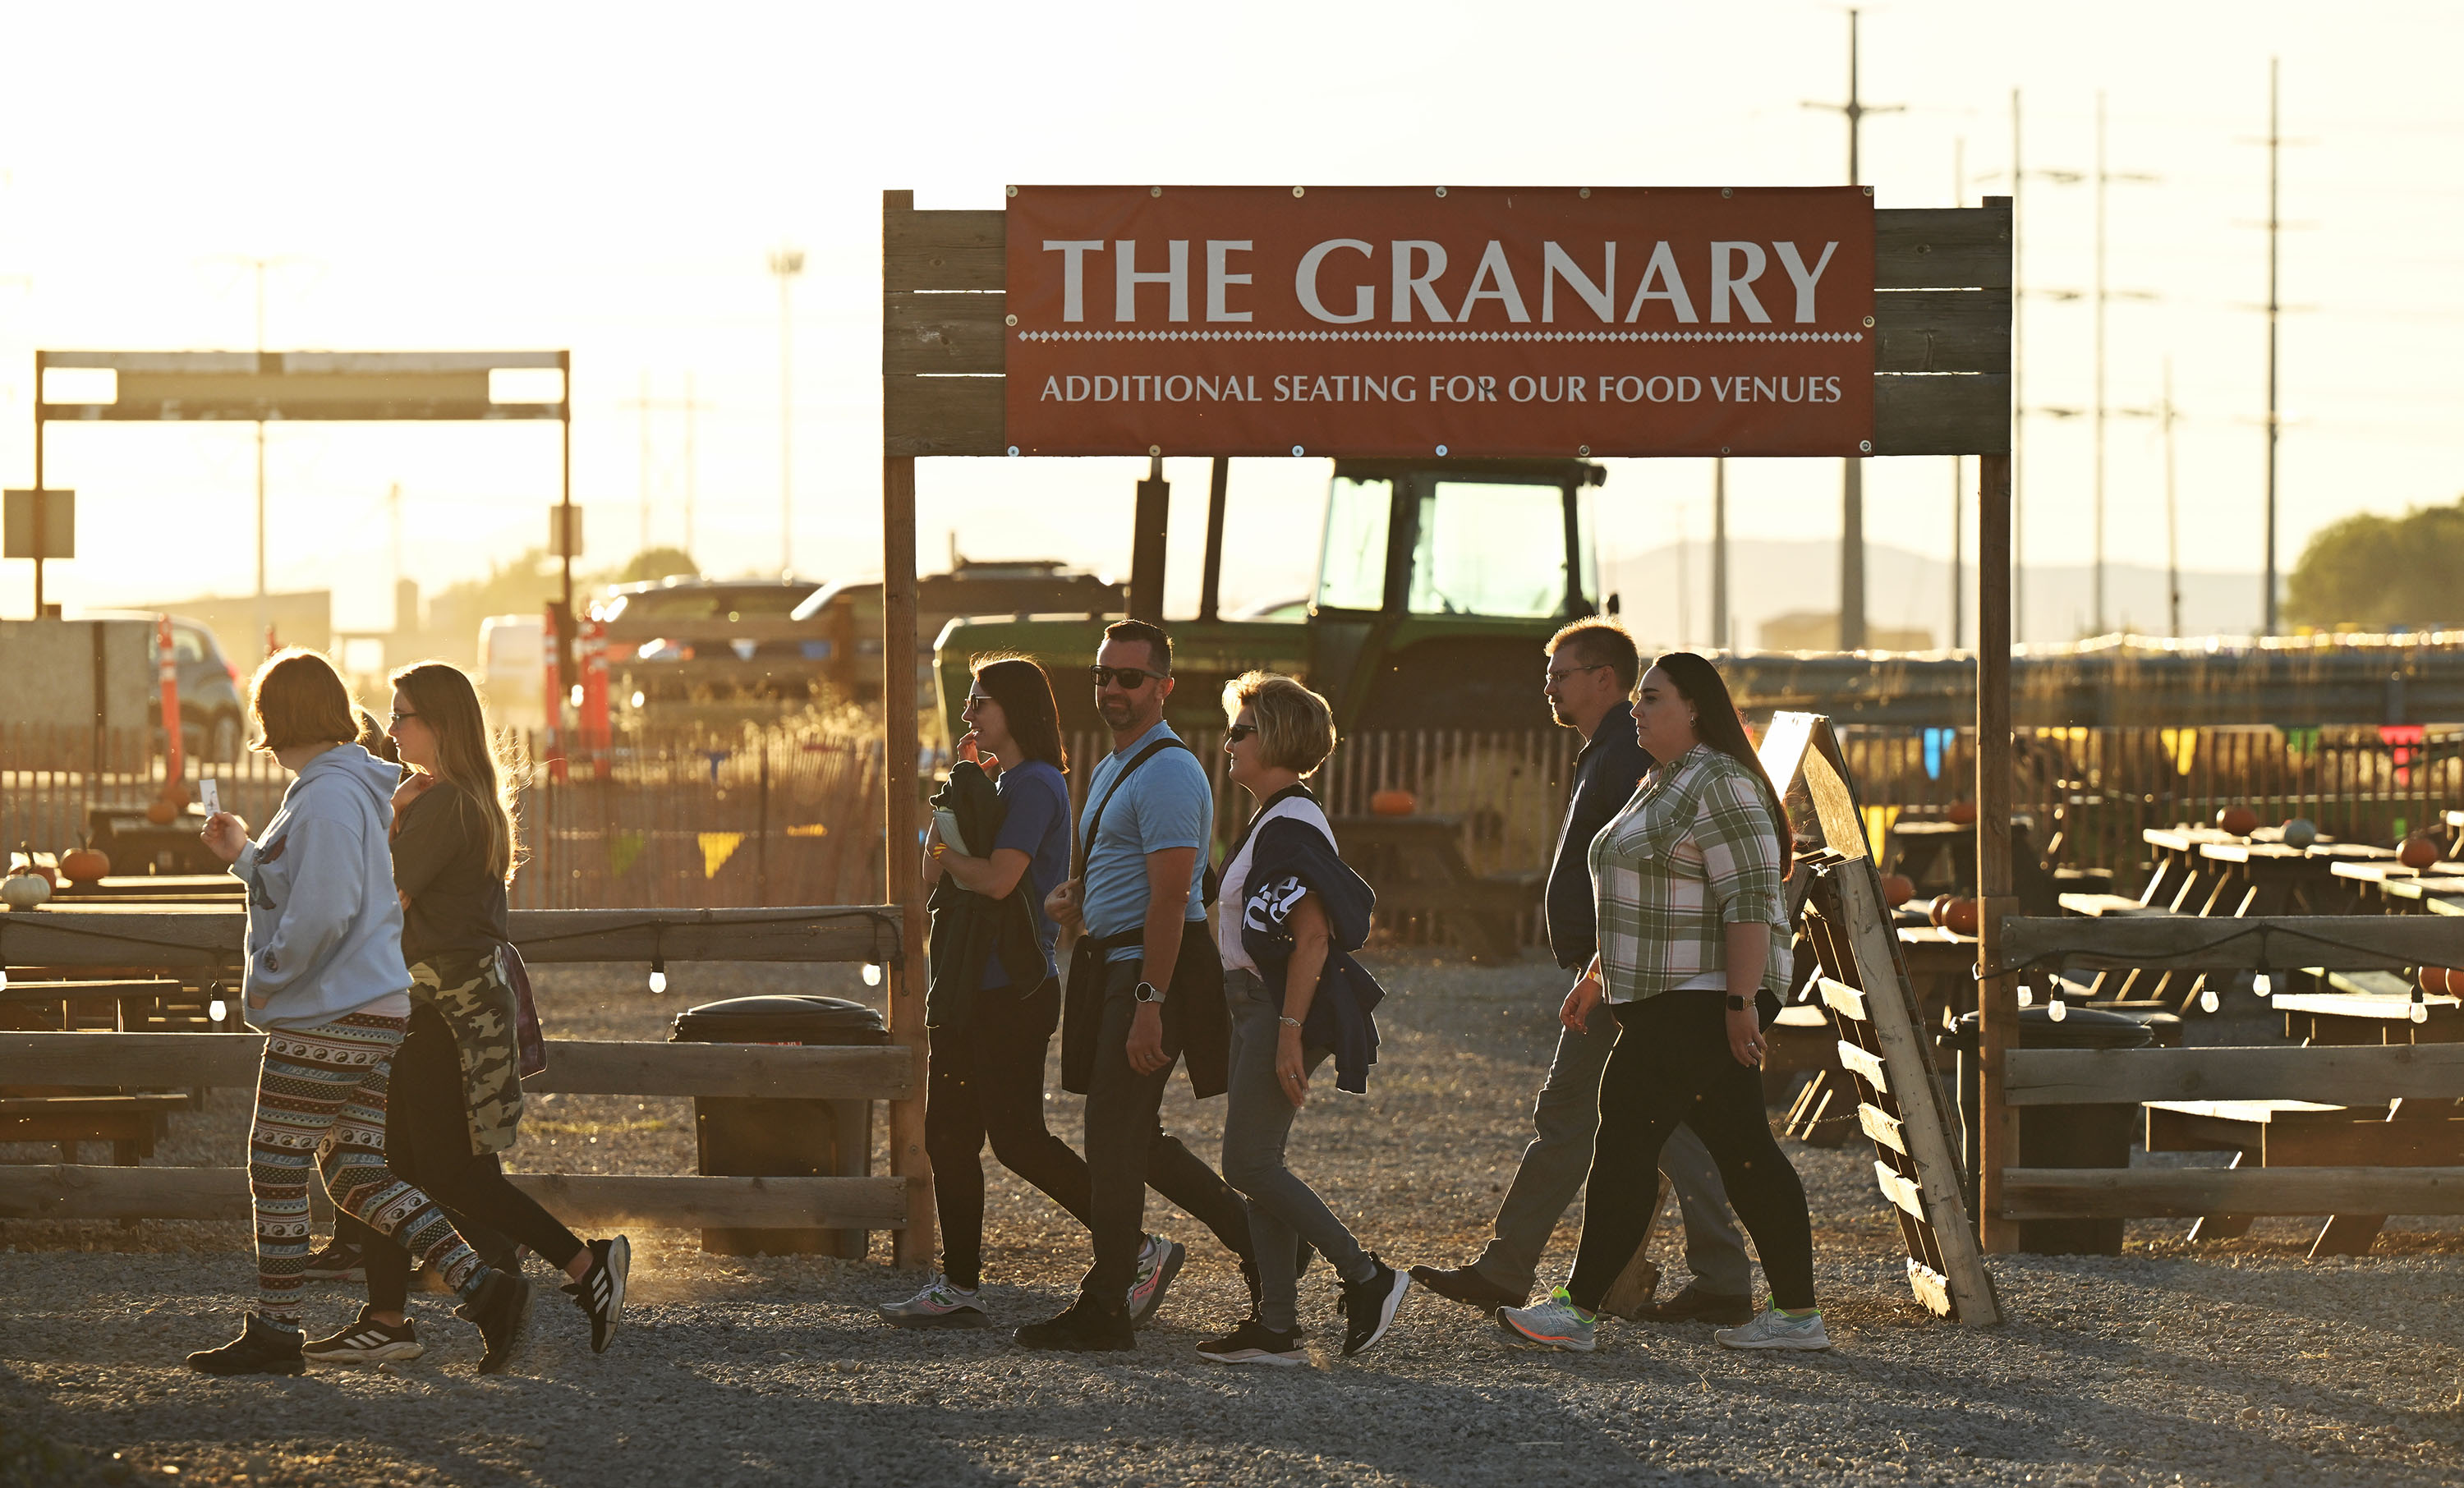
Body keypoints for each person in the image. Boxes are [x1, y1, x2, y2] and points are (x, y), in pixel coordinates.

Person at [186, 650, 530, 1376]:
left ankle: (279, 1332)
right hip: (368, 1007)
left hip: (330, 1010)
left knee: (275, 1164)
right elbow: (315, 879)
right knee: (357, 1177)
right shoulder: (340, 788)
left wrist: (274, 975)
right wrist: (246, 856)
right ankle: (487, 1290)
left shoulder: (329, 796)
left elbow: (327, 904)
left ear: (274, 720)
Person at [1412, 620, 1758, 1325]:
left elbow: (1654, 874)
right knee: (1664, 1123)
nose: (1548, 686)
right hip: (1620, 969)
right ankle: (1721, 1277)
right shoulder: (1609, 751)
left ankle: (1513, 1271)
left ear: (1605, 677)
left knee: (1574, 1116)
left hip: (1632, 974)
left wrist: (1608, 968)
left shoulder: (1630, 754)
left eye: (1561, 675)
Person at [1496, 652, 1827, 1353]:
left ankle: (1578, 1310)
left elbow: (1749, 904)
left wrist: (1741, 1004)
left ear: (1696, 709)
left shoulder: (1724, 783)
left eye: (1653, 699)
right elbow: (1635, 895)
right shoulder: (1662, 780)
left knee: (1623, 1140)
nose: (1637, 711)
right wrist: (1594, 976)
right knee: (1745, 1152)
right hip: (1664, 995)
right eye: (1639, 700)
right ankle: (1798, 1316)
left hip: (1701, 997)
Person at [306, 662, 630, 1366]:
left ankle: (584, 1265)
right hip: (435, 1006)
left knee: (449, 1174)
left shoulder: (446, 804)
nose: (390, 730)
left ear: (441, 725)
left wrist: (386, 817)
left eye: (403, 716)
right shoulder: (456, 799)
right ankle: (389, 1319)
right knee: (396, 1165)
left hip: (442, 1014)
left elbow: (381, 903)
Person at [1015, 620, 1258, 1353]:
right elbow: (1137, 877)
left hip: (1150, 970)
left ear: (1163, 687)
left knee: (1114, 1139)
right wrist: (1080, 900)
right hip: (1113, 959)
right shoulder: (1120, 765)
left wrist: (1150, 1004)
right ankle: (1265, 1246)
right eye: (1103, 676)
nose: (1113, 690)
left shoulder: (1170, 771)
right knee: (1134, 1139)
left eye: (1129, 678)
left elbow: (1174, 897)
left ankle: (1106, 1306)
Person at [1196, 673, 1407, 1367]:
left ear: (1278, 739)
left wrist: (1287, 1031)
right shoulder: (1275, 817)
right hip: (1255, 1006)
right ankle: (1277, 1328)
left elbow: (1313, 934)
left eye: (1241, 731)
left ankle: (1366, 1276)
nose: (1228, 743)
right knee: (1260, 1165)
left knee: (1247, 1161)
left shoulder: (1289, 822)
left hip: (1274, 1009)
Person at [879, 655, 1096, 1327]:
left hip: (1013, 990)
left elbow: (998, 880)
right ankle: (961, 1286)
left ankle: (1133, 1242)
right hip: (973, 989)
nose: (968, 713)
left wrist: (948, 855)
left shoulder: (1034, 786)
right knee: (948, 1136)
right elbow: (932, 872)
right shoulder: (994, 783)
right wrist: (960, 788)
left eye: (981, 702)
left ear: (1016, 709)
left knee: (1018, 1139)